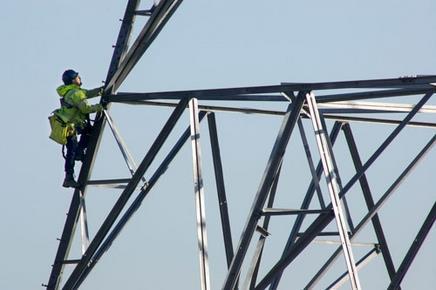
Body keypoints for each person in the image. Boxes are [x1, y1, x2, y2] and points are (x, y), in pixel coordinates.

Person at [56, 69, 104, 188]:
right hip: (71, 126)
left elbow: (87, 93)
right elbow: (85, 109)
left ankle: (78, 153)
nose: (80, 78)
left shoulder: (73, 91)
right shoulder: (76, 94)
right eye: (78, 77)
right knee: (72, 149)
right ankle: (69, 177)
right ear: (73, 80)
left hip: (70, 125)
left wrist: (102, 90)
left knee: (87, 132)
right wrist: (100, 107)